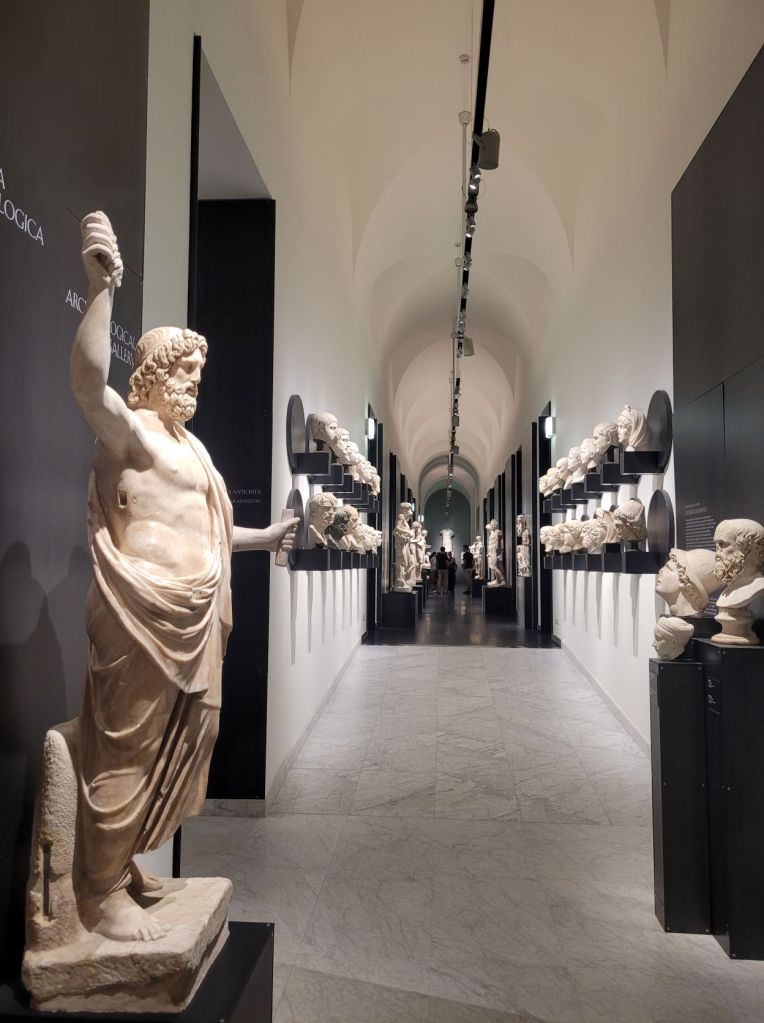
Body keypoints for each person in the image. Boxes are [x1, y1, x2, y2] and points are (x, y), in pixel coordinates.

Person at [66, 212, 299, 942]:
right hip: (143, 617)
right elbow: (87, 386)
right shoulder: (133, 432)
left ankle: (122, 862)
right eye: (185, 372)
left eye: (198, 373)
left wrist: (265, 539)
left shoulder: (192, 448)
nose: (194, 383)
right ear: (155, 374)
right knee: (131, 745)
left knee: (183, 738)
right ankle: (99, 893)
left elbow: (211, 529)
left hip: (194, 620)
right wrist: (102, 289)